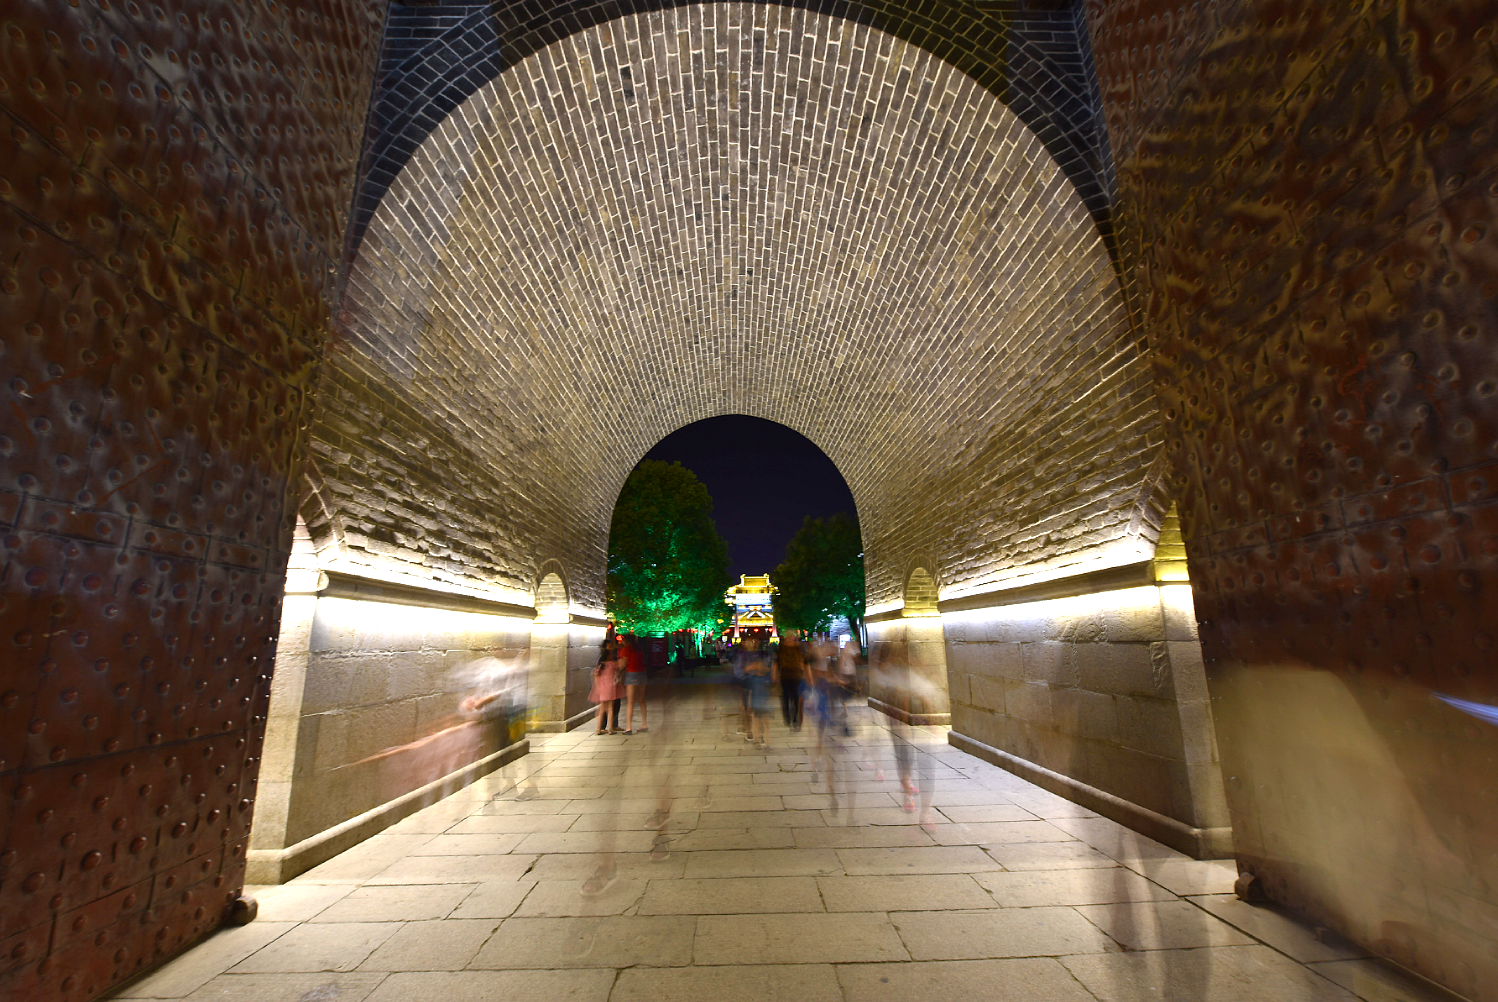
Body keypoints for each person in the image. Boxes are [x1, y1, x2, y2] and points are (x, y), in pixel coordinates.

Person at [590, 623, 623, 734]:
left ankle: (599, 728)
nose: (612, 648)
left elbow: (596, 673)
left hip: (604, 687)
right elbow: (619, 666)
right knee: (610, 707)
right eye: (610, 646)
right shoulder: (610, 660)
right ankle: (610, 728)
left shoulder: (602, 660)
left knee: (603, 708)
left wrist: (597, 686)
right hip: (611, 686)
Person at [774, 631, 806, 729]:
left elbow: (803, 661)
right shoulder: (781, 648)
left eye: (792, 637)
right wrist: (774, 674)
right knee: (786, 697)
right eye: (789, 637)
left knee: (795, 697)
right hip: (785, 675)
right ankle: (787, 716)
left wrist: (804, 672)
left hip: (796, 676)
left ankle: (795, 717)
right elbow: (776, 662)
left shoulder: (798, 648)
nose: (791, 639)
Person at [619, 633, 649, 733]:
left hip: (631, 674)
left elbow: (622, 665)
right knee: (641, 700)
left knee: (630, 702)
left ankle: (628, 727)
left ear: (626, 640)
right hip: (642, 674)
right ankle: (644, 724)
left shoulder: (626, 649)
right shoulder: (639, 648)